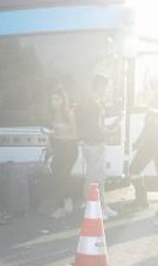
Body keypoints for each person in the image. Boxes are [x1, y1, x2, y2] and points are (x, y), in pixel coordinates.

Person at [76, 74, 120, 218]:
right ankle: (91, 208)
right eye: (105, 87)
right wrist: (109, 131)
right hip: (93, 145)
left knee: (99, 177)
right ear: (100, 86)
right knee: (93, 179)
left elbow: (94, 126)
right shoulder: (92, 103)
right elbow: (93, 128)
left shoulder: (93, 102)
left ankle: (103, 207)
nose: (106, 90)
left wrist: (106, 130)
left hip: (94, 144)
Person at [45, 87, 79, 218]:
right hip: (59, 149)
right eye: (51, 100)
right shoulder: (53, 115)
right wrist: (50, 142)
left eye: (57, 99)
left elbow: (75, 135)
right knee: (57, 176)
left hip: (70, 150)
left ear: (63, 100)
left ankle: (62, 208)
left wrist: (60, 137)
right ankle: (67, 203)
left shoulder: (69, 114)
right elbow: (53, 133)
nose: (53, 102)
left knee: (62, 177)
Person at [128, 76, 158, 210]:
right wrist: (139, 141)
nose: (152, 89)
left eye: (153, 86)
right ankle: (141, 199)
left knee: (134, 169)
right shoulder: (152, 102)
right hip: (149, 144)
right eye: (152, 86)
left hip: (153, 144)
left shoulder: (154, 103)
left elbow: (150, 124)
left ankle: (141, 200)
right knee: (134, 169)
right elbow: (148, 125)